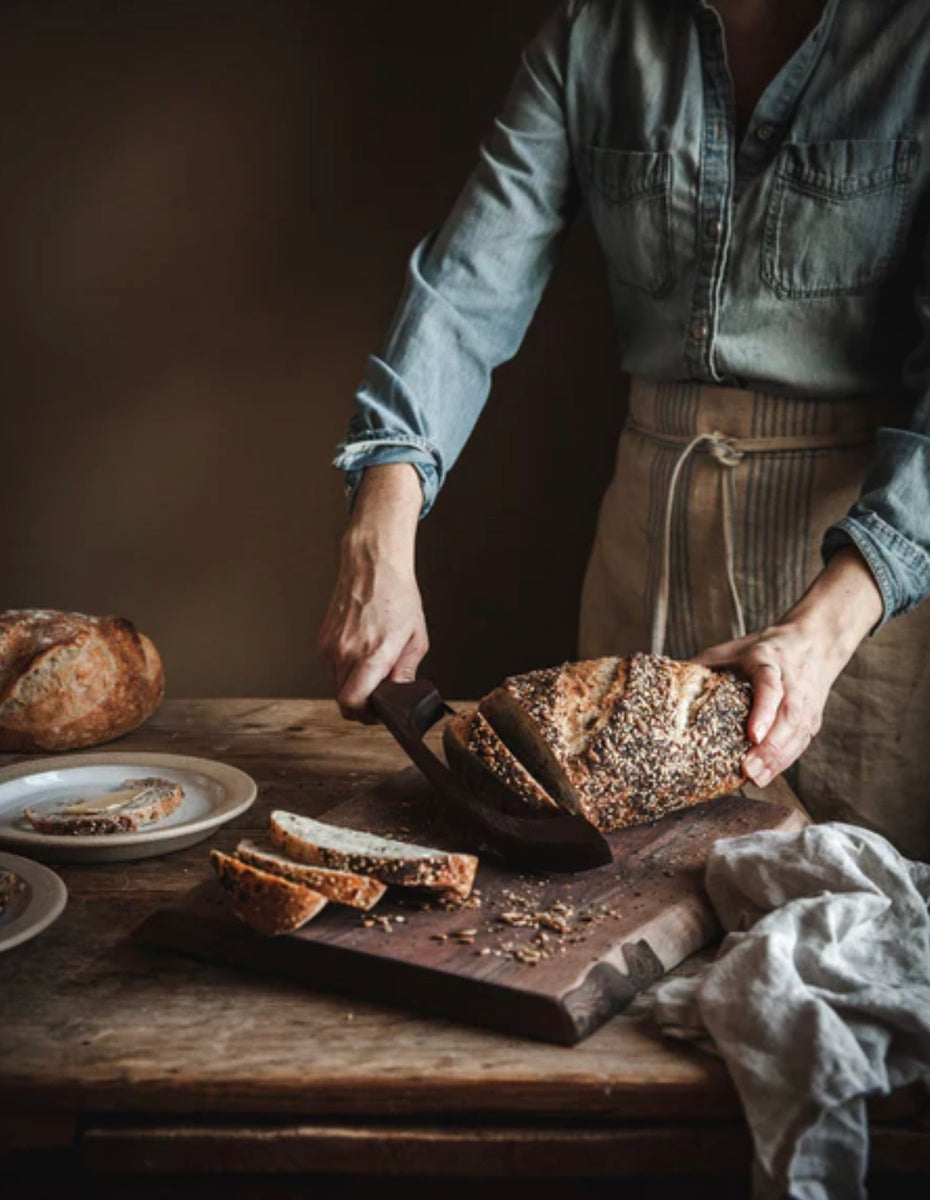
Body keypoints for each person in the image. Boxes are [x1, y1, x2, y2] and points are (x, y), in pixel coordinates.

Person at [319, 0, 930, 859]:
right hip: (646, 544)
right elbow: (464, 292)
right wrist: (378, 533)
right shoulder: (590, 37)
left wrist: (825, 629)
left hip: (865, 584)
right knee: (624, 909)